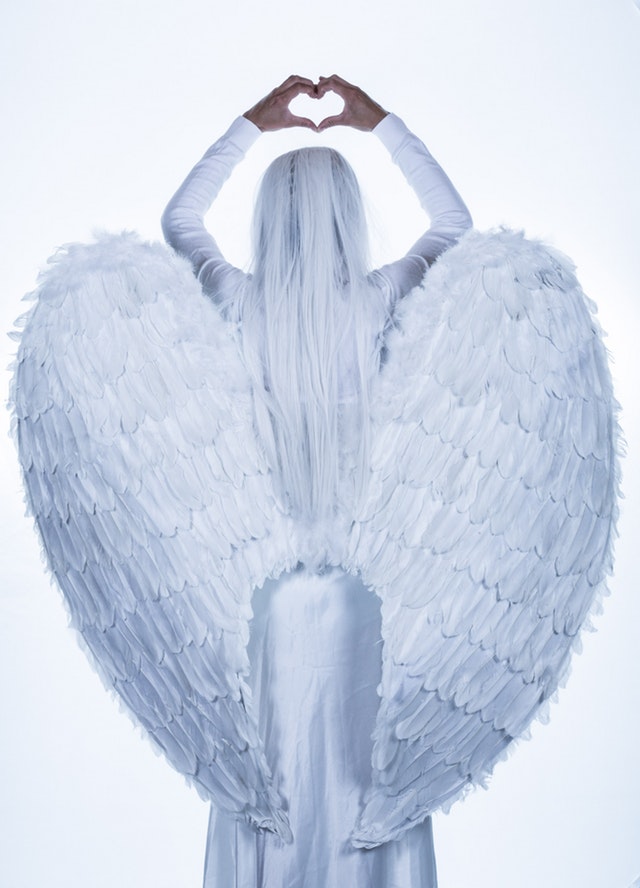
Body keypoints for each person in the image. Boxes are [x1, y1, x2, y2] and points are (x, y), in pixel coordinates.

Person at [161, 75, 472, 888]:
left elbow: (180, 221)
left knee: (271, 781)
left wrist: (250, 126)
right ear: (347, 219)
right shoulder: (379, 303)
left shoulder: (239, 304)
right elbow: (454, 225)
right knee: (362, 778)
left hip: (268, 598)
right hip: (360, 594)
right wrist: (381, 124)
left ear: (271, 220)